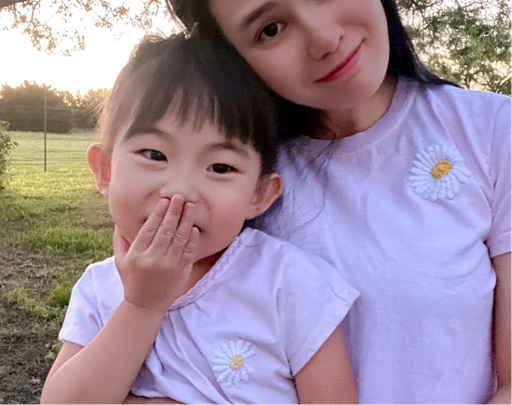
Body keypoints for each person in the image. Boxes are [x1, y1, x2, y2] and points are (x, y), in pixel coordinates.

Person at [162, 0, 511, 403]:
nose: (324, 37)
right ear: (233, 59)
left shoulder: (493, 132)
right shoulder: (229, 181)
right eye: (270, 29)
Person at [40, 33, 359, 404]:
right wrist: (142, 307)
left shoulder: (289, 283)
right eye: (154, 155)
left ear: (259, 195)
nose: (180, 191)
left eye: (220, 167)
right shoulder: (100, 289)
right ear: (105, 170)